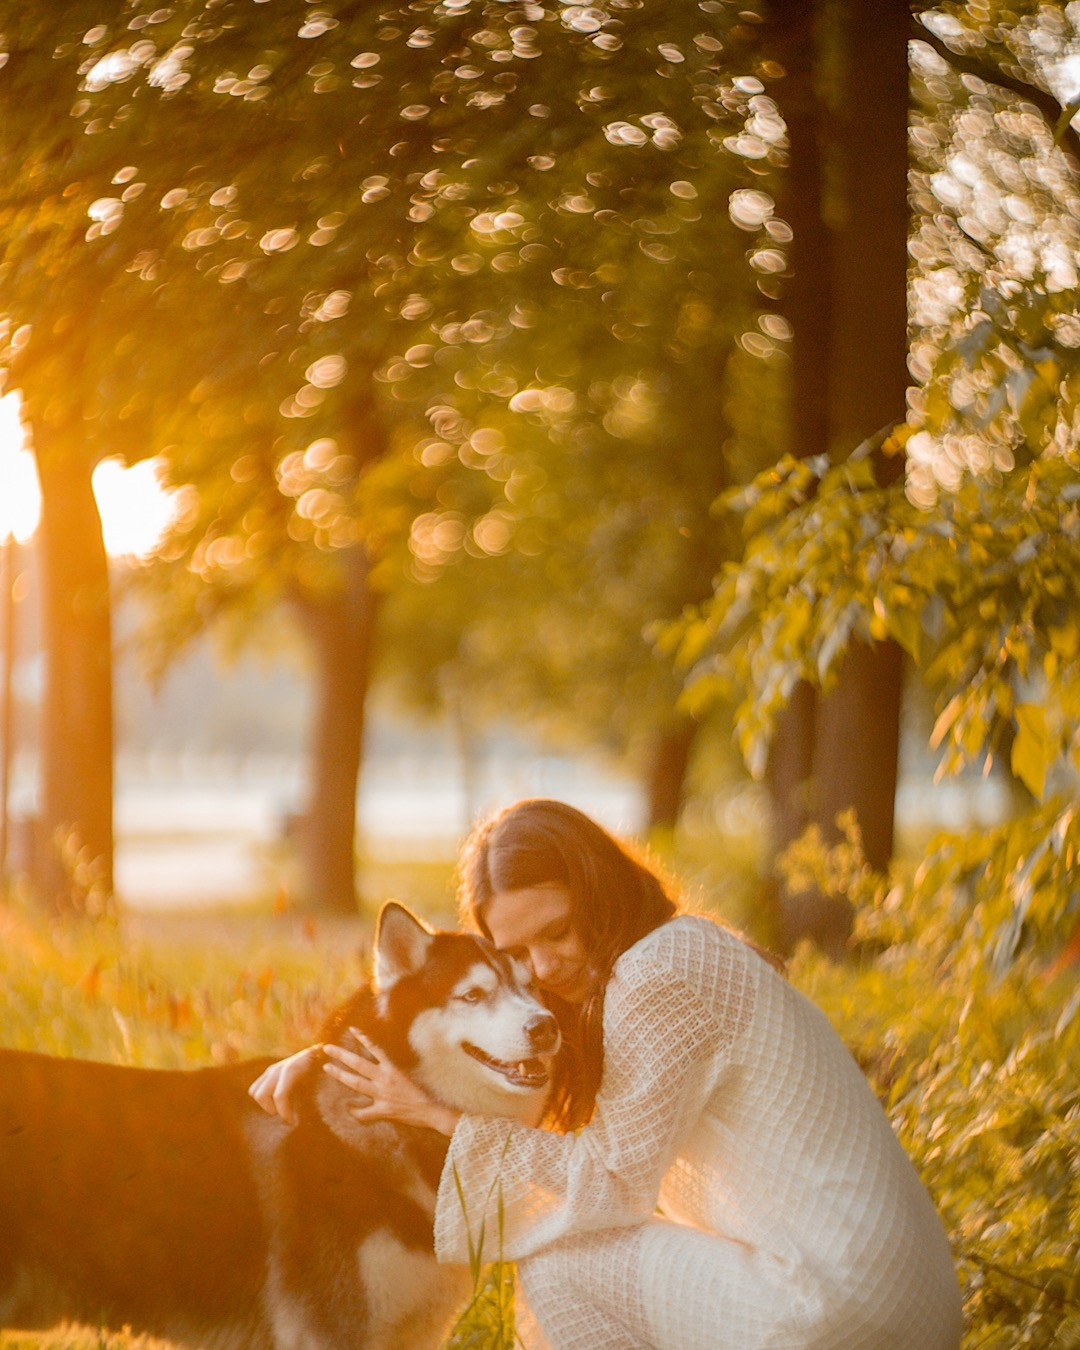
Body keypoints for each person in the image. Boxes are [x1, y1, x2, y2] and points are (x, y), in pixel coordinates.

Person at [251, 798, 964, 1349]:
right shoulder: (660, 960)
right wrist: (332, 1060)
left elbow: (610, 1182)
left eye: (557, 931)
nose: (544, 966)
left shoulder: (659, 975)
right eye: (517, 953)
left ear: (599, 889)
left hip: (842, 1304)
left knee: (561, 1262)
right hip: (884, 1291)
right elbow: (463, 1025)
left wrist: (436, 1117)